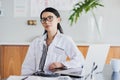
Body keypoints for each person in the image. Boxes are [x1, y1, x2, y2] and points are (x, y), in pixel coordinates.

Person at [21, 7, 84, 76]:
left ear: (58, 19)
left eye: (50, 18)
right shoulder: (36, 42)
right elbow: (27, 67)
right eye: (44, 19)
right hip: (37, 78)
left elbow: (80, 61)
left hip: (54, 77)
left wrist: (61, 64)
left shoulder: (66, 40)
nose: (47, 22)